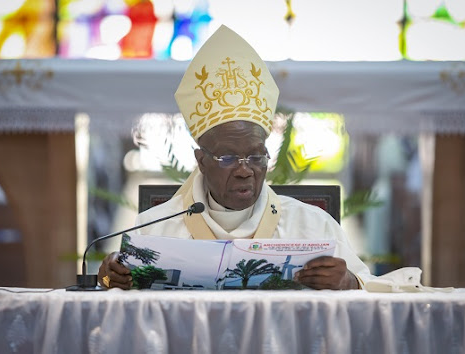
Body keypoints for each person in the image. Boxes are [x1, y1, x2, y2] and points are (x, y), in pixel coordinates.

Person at [99, 25, 373, 290]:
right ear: (201, 161)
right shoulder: (155, 230)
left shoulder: (313, 225)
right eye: (228, 157)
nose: (245, 171)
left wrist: (350, 282)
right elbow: (123, 307)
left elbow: (376, 291)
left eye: (256, 156)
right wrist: (112, 278)